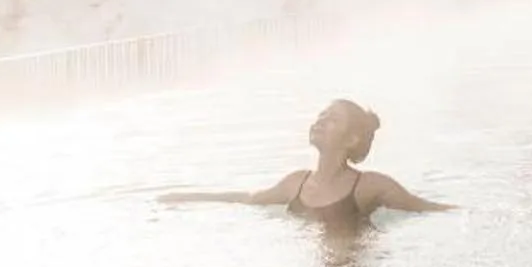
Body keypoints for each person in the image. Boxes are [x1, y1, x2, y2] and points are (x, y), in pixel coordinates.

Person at [158, 98, 454, 223]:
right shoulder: (296, 183)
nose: (320, 121)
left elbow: (427, 208)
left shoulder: (369, 186)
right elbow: (248, 198)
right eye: (321, 115)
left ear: (351, 139)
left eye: (332, 119)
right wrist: (186, 196)